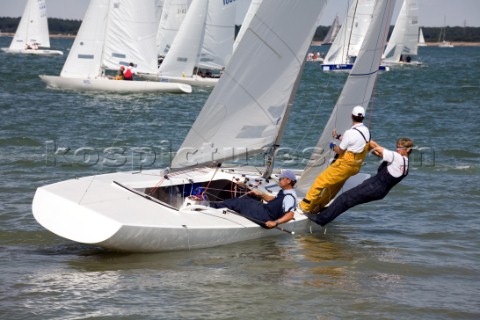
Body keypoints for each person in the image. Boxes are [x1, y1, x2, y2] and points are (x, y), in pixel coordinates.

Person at [305, 138, 413, 226]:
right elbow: (377, 153)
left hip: (374, 186)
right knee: (348, 200)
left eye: (401, 147)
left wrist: (365, 139)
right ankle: (326, 213)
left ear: (408, 150)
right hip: (380, 190)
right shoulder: (405, 163)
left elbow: (377, 148)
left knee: (345, 198)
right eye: (397, 146)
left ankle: (321, 219)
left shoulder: (397, 158)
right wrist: (365, 146)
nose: (398, 149)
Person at [299, 105, 371, 214]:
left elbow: (340, 151)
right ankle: (317, 207)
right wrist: (338, 137)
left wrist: (332, 146)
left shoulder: (350, 132)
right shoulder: (366, 131)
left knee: (321, 181)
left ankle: (306, 205)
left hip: (344, 165)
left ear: (352, 116)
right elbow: (353, 142)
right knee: (334, 187)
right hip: (355, 167)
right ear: (363, 118)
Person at [211, 170, 298, 229]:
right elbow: (275, 200)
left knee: (240, 202)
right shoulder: (284, 191)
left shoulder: (289, 196)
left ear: (288, 181)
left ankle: (212, 206)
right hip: (265, 210)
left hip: (266, 217)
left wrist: (275, 222)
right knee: (251, 197)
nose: (279, 180)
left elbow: (290, 215)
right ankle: (225, 205)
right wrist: (261, 195)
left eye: (281, 179)